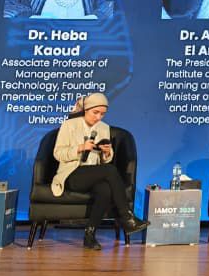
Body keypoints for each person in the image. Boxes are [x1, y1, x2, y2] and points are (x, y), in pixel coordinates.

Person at [49, 93, 149, 250]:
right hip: (72, 174)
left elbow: (104, 162)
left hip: (93, 174)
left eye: (102, 114)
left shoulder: (104, 128)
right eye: (95, 113)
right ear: (86, 109)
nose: (98, 117)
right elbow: (58, 153)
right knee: (110, 170)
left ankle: (90, 235)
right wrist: (80, 148)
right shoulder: (69, 125)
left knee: (105, 189)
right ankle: (126, 217)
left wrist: (106, 153)